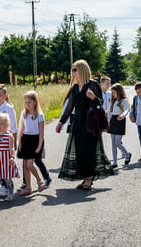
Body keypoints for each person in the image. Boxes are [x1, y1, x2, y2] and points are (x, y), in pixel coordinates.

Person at [55, 59, 115, 190]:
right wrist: (61, 122)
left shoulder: (92, 85)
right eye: (72, 70)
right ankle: (85, 177)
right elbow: (70, 107)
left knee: (89, 150)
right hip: (77, 122)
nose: (73, 72)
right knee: (79, 150)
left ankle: (89, 178)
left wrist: (93, 97)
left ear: (82, 70)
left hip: (90, 122)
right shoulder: (74, 88)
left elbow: (101, 103)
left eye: (75, 69)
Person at [17, 90, 46, 195]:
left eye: (29, 102)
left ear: (35, 102)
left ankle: (39, 180)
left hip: (35, 141)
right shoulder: (23, 113)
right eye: (25, 102)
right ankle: (28, 187)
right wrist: (19, 143)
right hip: (25, 140)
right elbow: (21, 129)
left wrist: (39, 146)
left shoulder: (40, 115)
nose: (27, 104)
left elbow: (41, 133)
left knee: (29, 165)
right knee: (25, 166)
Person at [107, 83, 131, 167]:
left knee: (117, 142)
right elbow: (110, 111)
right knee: (113, 143)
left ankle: (127, 154)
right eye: (112, 92)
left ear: (119, 92)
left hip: (120, 121)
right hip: (113, 120)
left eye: (114, 92)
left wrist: (122, 115)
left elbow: (127, 110)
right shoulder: (114, 101)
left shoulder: (124, 100)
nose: (112, 94)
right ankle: (115, 162)